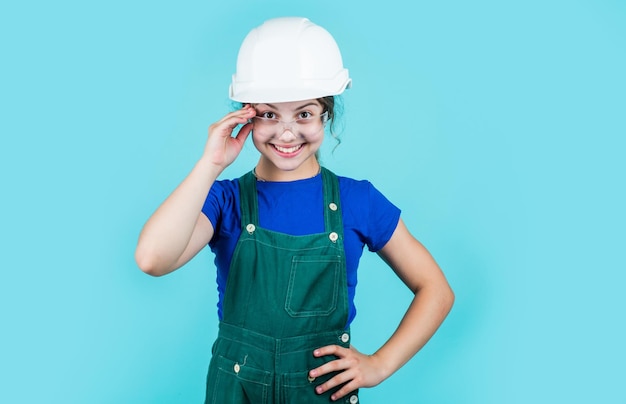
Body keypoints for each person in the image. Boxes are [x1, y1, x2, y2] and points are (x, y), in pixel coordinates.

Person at [135, 17, 454, 404]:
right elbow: (153, 259)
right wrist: (211, 163)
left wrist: (379, 365)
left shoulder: (358, 201)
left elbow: (436, 290)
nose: (286, 133)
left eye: (303, 114)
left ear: (327, 115)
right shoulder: (224, 201)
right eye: (269, 114)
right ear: (246, 116)